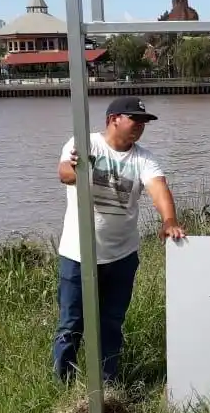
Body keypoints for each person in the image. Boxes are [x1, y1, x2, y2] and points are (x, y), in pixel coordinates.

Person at [53, 96, 186, 385]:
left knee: (111, 324)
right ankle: (63, 383)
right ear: (113, 119)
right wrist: (76, 169)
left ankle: (107, 384)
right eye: (134, 119)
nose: (140, 126)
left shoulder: (143, 158)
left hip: (122, 257)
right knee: (71, 324)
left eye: (144, 122)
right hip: (78, 255)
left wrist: (169, 221)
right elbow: (63, 172)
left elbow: (158, 188)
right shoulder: (85, 143)